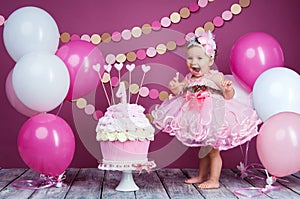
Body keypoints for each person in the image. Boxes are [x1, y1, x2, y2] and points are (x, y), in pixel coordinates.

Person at [151, 31, 262, 189]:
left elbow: (229, 96)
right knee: (204, 150)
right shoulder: (189, 77)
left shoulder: (214, 77)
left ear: (210, 60)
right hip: (197, 116)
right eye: (190, 58)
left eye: (199, 58)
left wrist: (228, 89)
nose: (193, 62)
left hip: (214, 117)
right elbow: (181, 91)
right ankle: (202, 175)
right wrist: (175, 87)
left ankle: (214, 180)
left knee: (213, 151)